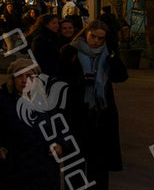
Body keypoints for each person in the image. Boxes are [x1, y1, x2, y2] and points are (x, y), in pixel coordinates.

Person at [0, 58, 64, 189]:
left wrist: (60, 144)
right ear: (13, 79)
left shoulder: (45, 100)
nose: (24, 80)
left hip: (45, 171)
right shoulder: (2, 100)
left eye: (29, 76)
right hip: (15, 172)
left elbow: (59, 126)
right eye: (19, 75)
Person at [58, 19, 127, 190]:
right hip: (76, 115)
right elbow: (61, 79)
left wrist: (113, 55)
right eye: (93, 36)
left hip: (101, 116)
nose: (95, 41)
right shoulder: (71, 51)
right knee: (74, 165)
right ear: (86, 34)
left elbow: (121, 76)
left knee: (99, 167)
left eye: (100, 38)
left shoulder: (108, 54)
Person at [26, 13, 64, 78]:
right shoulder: (40, 39)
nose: (57, 25)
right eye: (53, 23)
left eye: (57, 23)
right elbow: (38, 60)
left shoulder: (55, 37)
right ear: (46, 24)